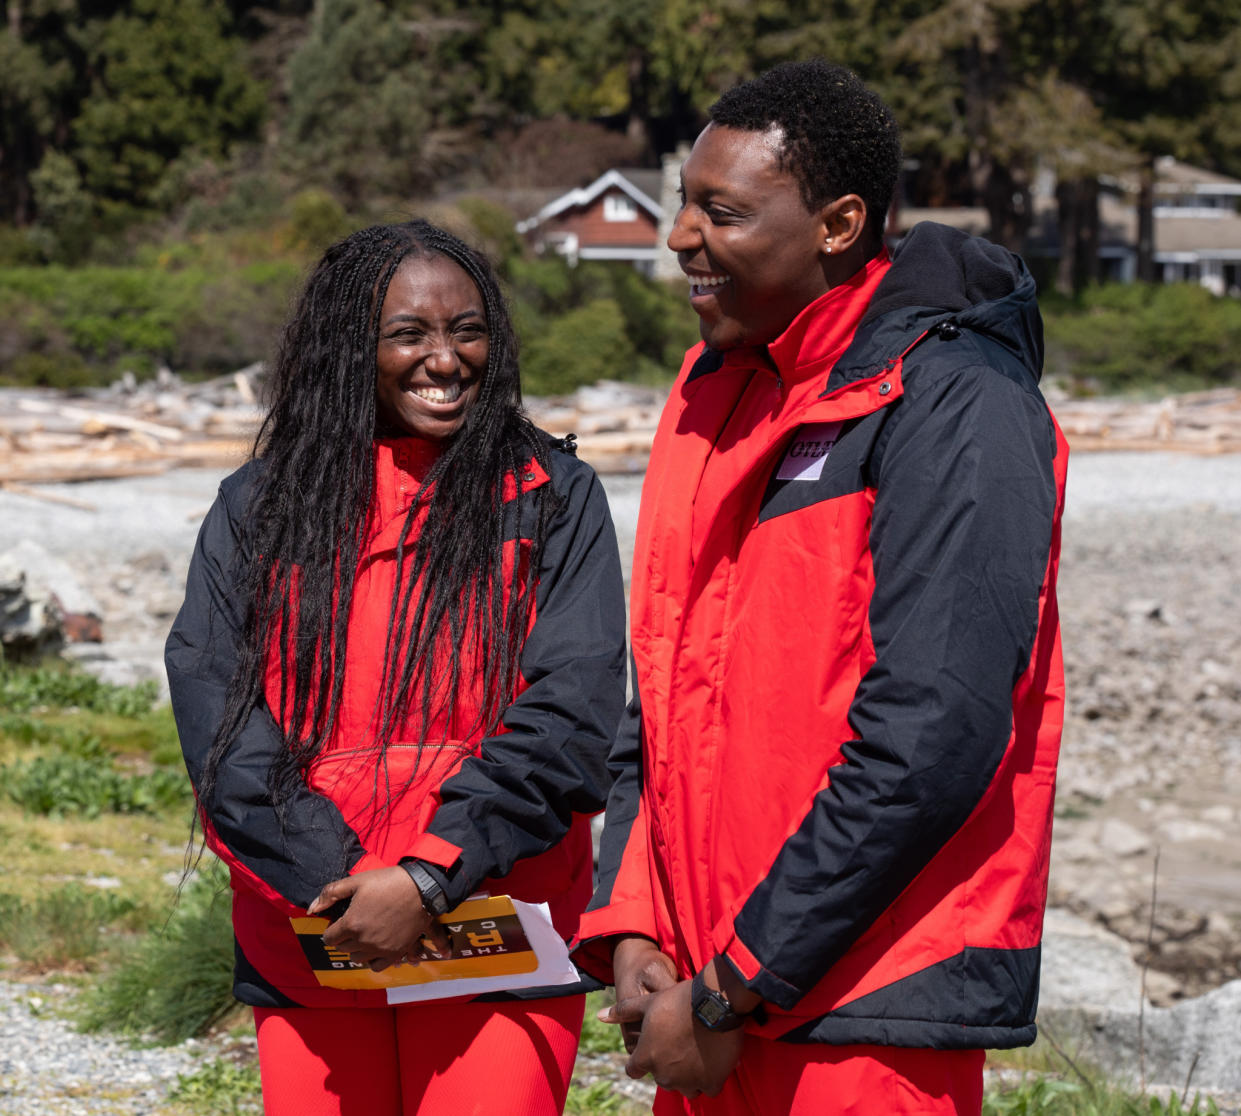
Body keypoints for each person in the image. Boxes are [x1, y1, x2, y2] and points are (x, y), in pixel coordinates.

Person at [573, 60, 1068, 1115]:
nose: (679, 238)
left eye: (722, 212)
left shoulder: (954, 403)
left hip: (858, 1014)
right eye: (680, 207)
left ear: (838, 223)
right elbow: (656, 703)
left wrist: (733, 987)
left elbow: (931, 734)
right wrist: (633, 929)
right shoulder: (711, 389)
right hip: (710, 994)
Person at [165, 219, 627, 1116]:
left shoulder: (552, 497)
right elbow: (219, 718)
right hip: (316, 932)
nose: (446, 360)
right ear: (349, 346)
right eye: (408, 334)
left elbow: (571, 713)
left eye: (468, 330)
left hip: (494, 930)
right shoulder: (260, 507)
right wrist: (336, 886)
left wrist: (428, 875)